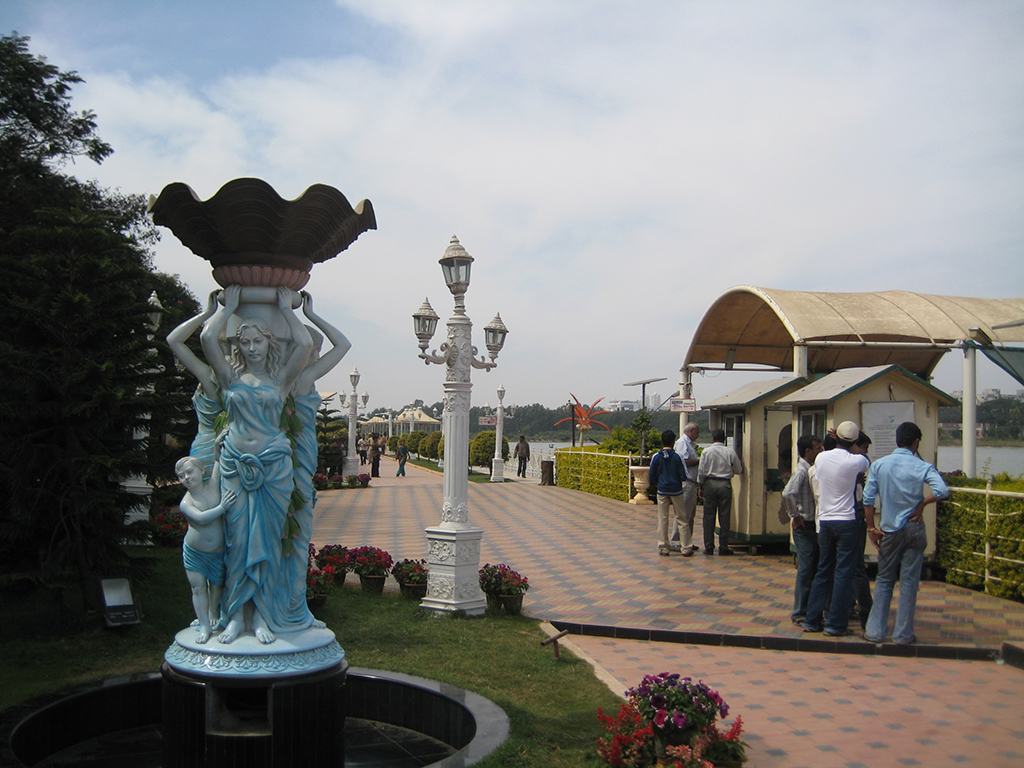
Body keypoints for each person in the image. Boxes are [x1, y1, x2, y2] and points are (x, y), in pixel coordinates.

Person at [201, 284, 313, 644]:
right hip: (235, 465)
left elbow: (305, 345)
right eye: (245, 342)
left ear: (269, 344)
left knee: (267, 542)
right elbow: (207, 338)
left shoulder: (280, 380)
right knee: (237, 542)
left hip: (274, 468)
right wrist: (225, 309)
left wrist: (290, 311)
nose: (251, 348)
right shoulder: (230, 378)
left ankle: (262, 615)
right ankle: (236, 616)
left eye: (258, 342)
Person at [863, 422, 949, 645]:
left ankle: (875, 632)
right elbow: (942, 491)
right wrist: (923, 504)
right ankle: (903, 634)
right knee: (909, 582)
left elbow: (868, 499)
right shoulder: (923, 466)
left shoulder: (879, 465)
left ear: (897, 440)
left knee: (884, 579)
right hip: (914, 527)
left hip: (889, 530)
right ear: (916, 442)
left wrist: (871, 529)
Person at [802, 421, 870, 637]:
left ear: (836, 437)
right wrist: (853, 444)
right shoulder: (855, 460)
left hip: (825, 521)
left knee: (823, 571)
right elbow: (865, 459)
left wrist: (840, 439)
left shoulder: (821, 458)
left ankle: (812, 620)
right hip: (847, 521)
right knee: (843, 574)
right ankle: (835, 624)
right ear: (854, 440)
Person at [176, 456, 235, 644]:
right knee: (198, 588)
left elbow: (218, 461)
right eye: (181, 476)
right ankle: (204, 625)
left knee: (217, 585)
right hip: (195, 553)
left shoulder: (212, 485)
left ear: (201, 470)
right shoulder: (186, 503)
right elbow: (201, 519)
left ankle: (213, 614)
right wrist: (222, 507)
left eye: (189, 472)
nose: (186, 477)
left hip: (216, 552)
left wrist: (217, 445)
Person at [166, 290, 223, 478]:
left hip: (204, 450)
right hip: (214, 452)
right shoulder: (213, 379)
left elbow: (174, 340)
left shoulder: (211, 378)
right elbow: (173, 341)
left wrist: (208, 313)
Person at [783, 435, 822, 626]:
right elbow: (788, 493)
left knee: (813, 567)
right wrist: (795, 515)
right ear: (808, 451)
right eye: (817, 448)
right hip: (805, 525)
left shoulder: (812, 469)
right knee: (806, 568)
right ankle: (800, 611)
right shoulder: (801, 471)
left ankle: (811, 608)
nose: (820, 451)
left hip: (812, 524)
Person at [697, 429, 743, 555]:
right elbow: (738, 470)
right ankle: (723, 546)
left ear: (713, 439)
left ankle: (709, 546)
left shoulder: (706, 451)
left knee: (708, 516)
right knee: (724, 516)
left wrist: (700, 486)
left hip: (710, 484)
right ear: (725, 439)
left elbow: (701, 471)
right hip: (725, 484)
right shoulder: (730, 451)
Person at [648, 430, 688, 556]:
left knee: (663, 518)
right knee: (681, 518)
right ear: (673, 442)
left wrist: (658, 483)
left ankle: (663, 546)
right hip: (676, 490)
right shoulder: (677, 456)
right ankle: (686, 547)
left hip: (662, 490)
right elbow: (684, 475)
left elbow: (651, 476)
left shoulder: (656, 456)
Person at [849, 431, 874, 629]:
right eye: (863, 448)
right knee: (857, 568)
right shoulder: (852, 467)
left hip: (852, 520)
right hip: (853, 521)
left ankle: (850, 603)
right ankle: (865, 608)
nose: (865, 453)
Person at [671, 422, 701, 555]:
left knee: (690, 514)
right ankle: (677, 541)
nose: (698, 435)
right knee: (683, 514)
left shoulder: (690, 443)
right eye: (697, 432)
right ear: (690, 431)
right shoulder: (682, 443)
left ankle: (687, 541)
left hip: (692, 483)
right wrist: (699, 461)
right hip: (686, 482)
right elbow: (683, 461)